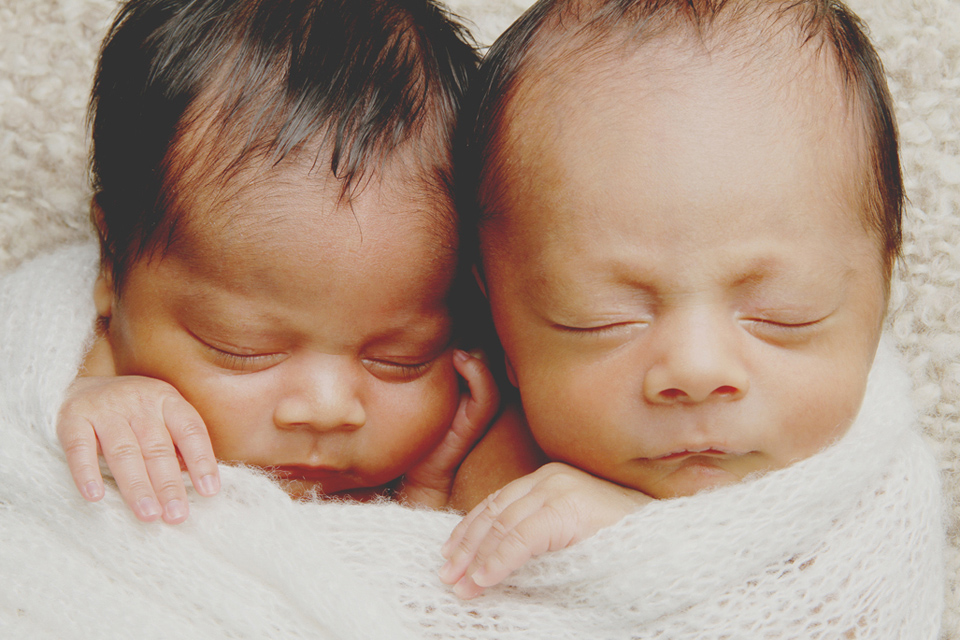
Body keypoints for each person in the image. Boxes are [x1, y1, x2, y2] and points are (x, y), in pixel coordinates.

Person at [439, 0, 941, 606]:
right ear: (495, 313)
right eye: (600, 318)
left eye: (784, 312)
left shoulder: (875, 489)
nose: (697, 371)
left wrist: (643, 544)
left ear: (884, 289)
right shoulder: (485, 466)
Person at [52, 0, 500, 525]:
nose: (328, 409)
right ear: (112, 260)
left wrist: (424, 502)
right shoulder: (62, 357)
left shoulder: (474, 444)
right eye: (243, 348)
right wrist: (80, 396)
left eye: (403, 358)